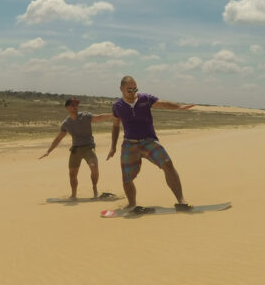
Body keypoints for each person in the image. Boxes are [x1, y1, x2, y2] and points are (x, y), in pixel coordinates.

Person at [106, 76, 194, 212]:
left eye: (135, 88)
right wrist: (113, 147)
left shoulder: (145, 99)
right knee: (127, 177)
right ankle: (132, 204)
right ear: (121, 88)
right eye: (129, 89)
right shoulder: (117, 106)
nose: (132, 91)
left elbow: (162, 104)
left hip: (149, 141)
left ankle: (181, 201)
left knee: (168, 164)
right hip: (130, 144)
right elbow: (116, 126)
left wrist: (179, 107)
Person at [39, 98, 112, 199]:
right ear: (67, 108)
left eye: (76, 105)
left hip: (88, 147)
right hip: (75, 149)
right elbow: (58, 138)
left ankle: (95, 188)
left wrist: (113, 114)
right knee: (72, 173)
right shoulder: (66, 123)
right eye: (72, 105)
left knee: (93, 165)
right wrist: (48, 151)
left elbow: (99, 117)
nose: (75, 107)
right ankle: (73, 195)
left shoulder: (85, 116)